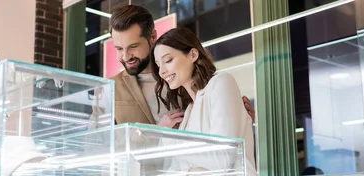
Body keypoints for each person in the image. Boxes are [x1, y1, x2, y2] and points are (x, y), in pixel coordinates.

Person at [106, 5, 255, 128]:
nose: (125, 56)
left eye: (133, 46)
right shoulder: (109, 89)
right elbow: (97, 143)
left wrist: (240, 120)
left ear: (152, 37)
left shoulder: (184, 77)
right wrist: (156, 130)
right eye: (118, 48)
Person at [151, 27, 266, 176]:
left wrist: (170, 140)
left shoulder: (221, 82)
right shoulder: (190, 109)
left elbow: (222, 159)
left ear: (193, 55)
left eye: (168, 60)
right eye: (158, 65)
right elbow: (176, 170)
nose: (162, 72)